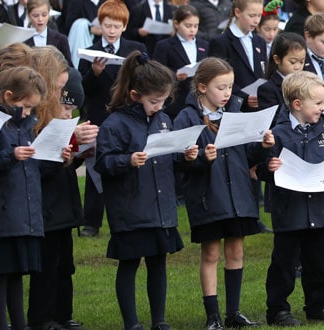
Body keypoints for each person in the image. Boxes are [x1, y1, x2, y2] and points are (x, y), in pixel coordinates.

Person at [94, 51, 196, 330]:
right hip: (130, 207)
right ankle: (132, 323)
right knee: (129, 264)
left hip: (159, 206)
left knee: (158, 263)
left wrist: (184, 156)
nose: (159, 106)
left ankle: (159, 321)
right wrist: (127, 160)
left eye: (164, 101)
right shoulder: (115, 124)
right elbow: (102, 162)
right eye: (154, 101)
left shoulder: (163, 120)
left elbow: (169, 157)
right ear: (135, 94)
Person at [172, 57, 274, 329]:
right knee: (211, 254)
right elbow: (179, 161)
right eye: (221, 87)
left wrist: (263, 146)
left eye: (230, 87)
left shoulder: (236, 114)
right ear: (202, 87)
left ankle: (233, 313)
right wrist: (201, 158)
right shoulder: (187, 117)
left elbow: (246, 155)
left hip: (238, 195)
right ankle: (213, 316)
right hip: (208, 196)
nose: (227, 93)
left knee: (236, 251)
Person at [260, 71, 324, 326]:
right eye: (318, 103)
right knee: (284, 264)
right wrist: (270, 166)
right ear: (297, 104)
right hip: (290, 210)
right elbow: (261, 167)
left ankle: (317, 306)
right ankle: (277, 310)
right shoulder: (277, 133)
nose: (323, 108)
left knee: (317, 263)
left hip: (320, 209)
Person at [0, 66, 69, 330]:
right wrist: (9, 156)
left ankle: (20, 325)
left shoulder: (26, 126)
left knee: (15, 276)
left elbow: (33, 167)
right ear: (8, 96)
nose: (27, 112)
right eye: (24, 106)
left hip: (21, 215)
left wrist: (58, 158)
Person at [78, 0, 148, 238]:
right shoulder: (89, 52)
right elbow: (83, 90)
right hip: (99, 116)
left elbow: (144, 79)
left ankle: (130, 217)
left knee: (128, 165)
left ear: (124, 26)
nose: (111, 30)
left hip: (128, 116)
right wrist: (94, 73)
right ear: (100, 24)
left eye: (116, 26)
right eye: (107, 25)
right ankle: (91, 222)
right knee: (96, 168)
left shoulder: (135, 49)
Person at [27, 68, 90, 330]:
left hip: (65, 208)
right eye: (64, 108)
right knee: (47, 267)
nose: (68, 115)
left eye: (72, 111)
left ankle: (64, 314)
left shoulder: (63, 128)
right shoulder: (37, 130)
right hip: (46, 210)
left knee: (66, 266)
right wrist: (60, 159)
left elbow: (66, 167)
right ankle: (42, 317)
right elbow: (37, 172)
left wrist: (79, 154)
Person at [208, 0, 266, 112]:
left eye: (259, 15)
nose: (256, 20)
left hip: (258, 107)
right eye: (252, 15)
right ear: (237, 12)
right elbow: (217, 79)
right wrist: (244, 97)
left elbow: (262, 72)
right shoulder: (221, 42)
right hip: (233, 107)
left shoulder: (259, 41)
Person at [153, 5, 209, 120]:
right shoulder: (164, 46)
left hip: (200, 102)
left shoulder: (204, 45)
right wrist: (175, 76)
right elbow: (156, 73)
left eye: (195, 26)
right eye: (188, 26)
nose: (192, 30)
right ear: (177, 24)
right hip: (176, 102)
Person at [257, 32, 307, 118]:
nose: (298, 67)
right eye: (293, 62)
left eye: (302, 62)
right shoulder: (268, 89)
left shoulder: (307, 83)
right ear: (277, 59)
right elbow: (274, 120)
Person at [23, 0, 73, 66]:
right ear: (28, 15)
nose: (40, 19)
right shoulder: (22, 40)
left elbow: (69, 68)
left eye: (44, 15)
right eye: (35, 15)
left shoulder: (61, 40)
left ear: (49, 14)